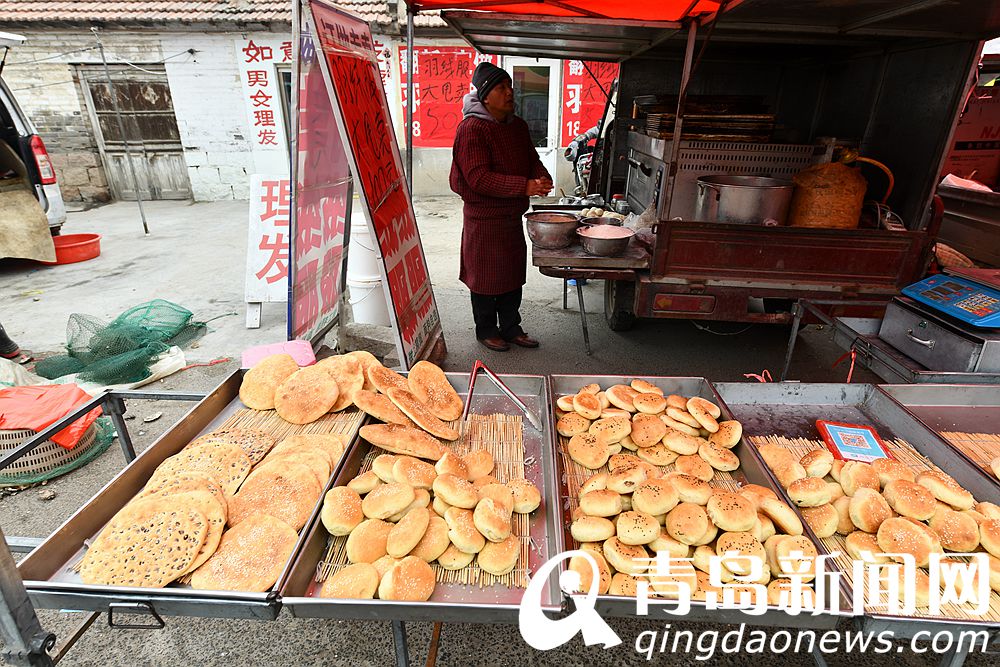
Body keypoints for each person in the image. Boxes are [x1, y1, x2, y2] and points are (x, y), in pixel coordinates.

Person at [450, 62, 553, 352]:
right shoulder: (472, 129)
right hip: (483, 219)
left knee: (510, 276)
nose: (510, 93)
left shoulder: (517, 126)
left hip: (510, 216)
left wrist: (541, 176)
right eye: (501, 88)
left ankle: (511, 326)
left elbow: (530, 158)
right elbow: (478, 178)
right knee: (484, 279)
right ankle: (485, 329)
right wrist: (523, 186)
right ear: (485, 96)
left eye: (510, 86)